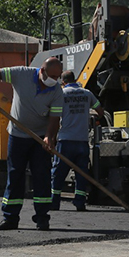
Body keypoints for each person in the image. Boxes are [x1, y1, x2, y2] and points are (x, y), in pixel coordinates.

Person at [0, 57, 64, 231]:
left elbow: (54, 118)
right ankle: (10, 218)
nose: (55, 80)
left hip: (40, 138)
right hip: (18, 135)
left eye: (58, 77)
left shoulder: (57, 91)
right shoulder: (22, 74)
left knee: (42, 176)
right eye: (52, 76)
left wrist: (49, 138)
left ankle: (42, 218)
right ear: (42, 71)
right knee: (15, 175)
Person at [50, 71, 104, 212]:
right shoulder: (87, 93)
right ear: (75, 79)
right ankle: (80, 203)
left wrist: (52, 137)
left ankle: (54, 202)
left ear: (63, 81)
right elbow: (100, 111)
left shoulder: (61, 94)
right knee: (81, 174)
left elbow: (54, 117)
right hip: (82, 140)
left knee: (58, 173)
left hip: (65, 140)